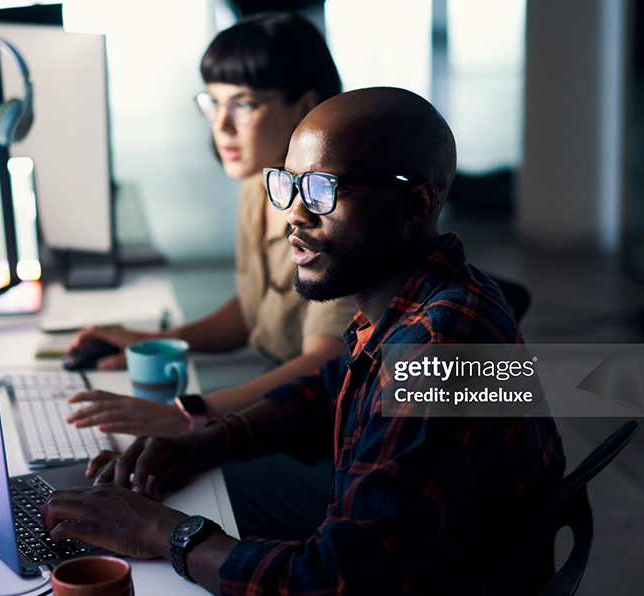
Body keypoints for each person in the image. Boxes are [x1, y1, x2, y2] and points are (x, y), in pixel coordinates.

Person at [40, 87, 566, 595]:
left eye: (323, 190)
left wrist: (162, 531)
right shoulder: (419, 297)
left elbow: (331, 582)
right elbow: (328, 389)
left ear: (417, 203)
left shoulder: (437, 352)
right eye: (288, 184)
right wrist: (202, 443)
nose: (294, 212)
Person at [65, 11, 358, 438]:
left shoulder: (330, 211)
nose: (221, 125)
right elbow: (256, 310)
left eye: (243, 104)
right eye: (213, 102)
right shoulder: (263, 180)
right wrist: (154, 339)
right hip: (281, 402)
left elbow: (324, 361)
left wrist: (191, 413)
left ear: (306, 104)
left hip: (331, 426)